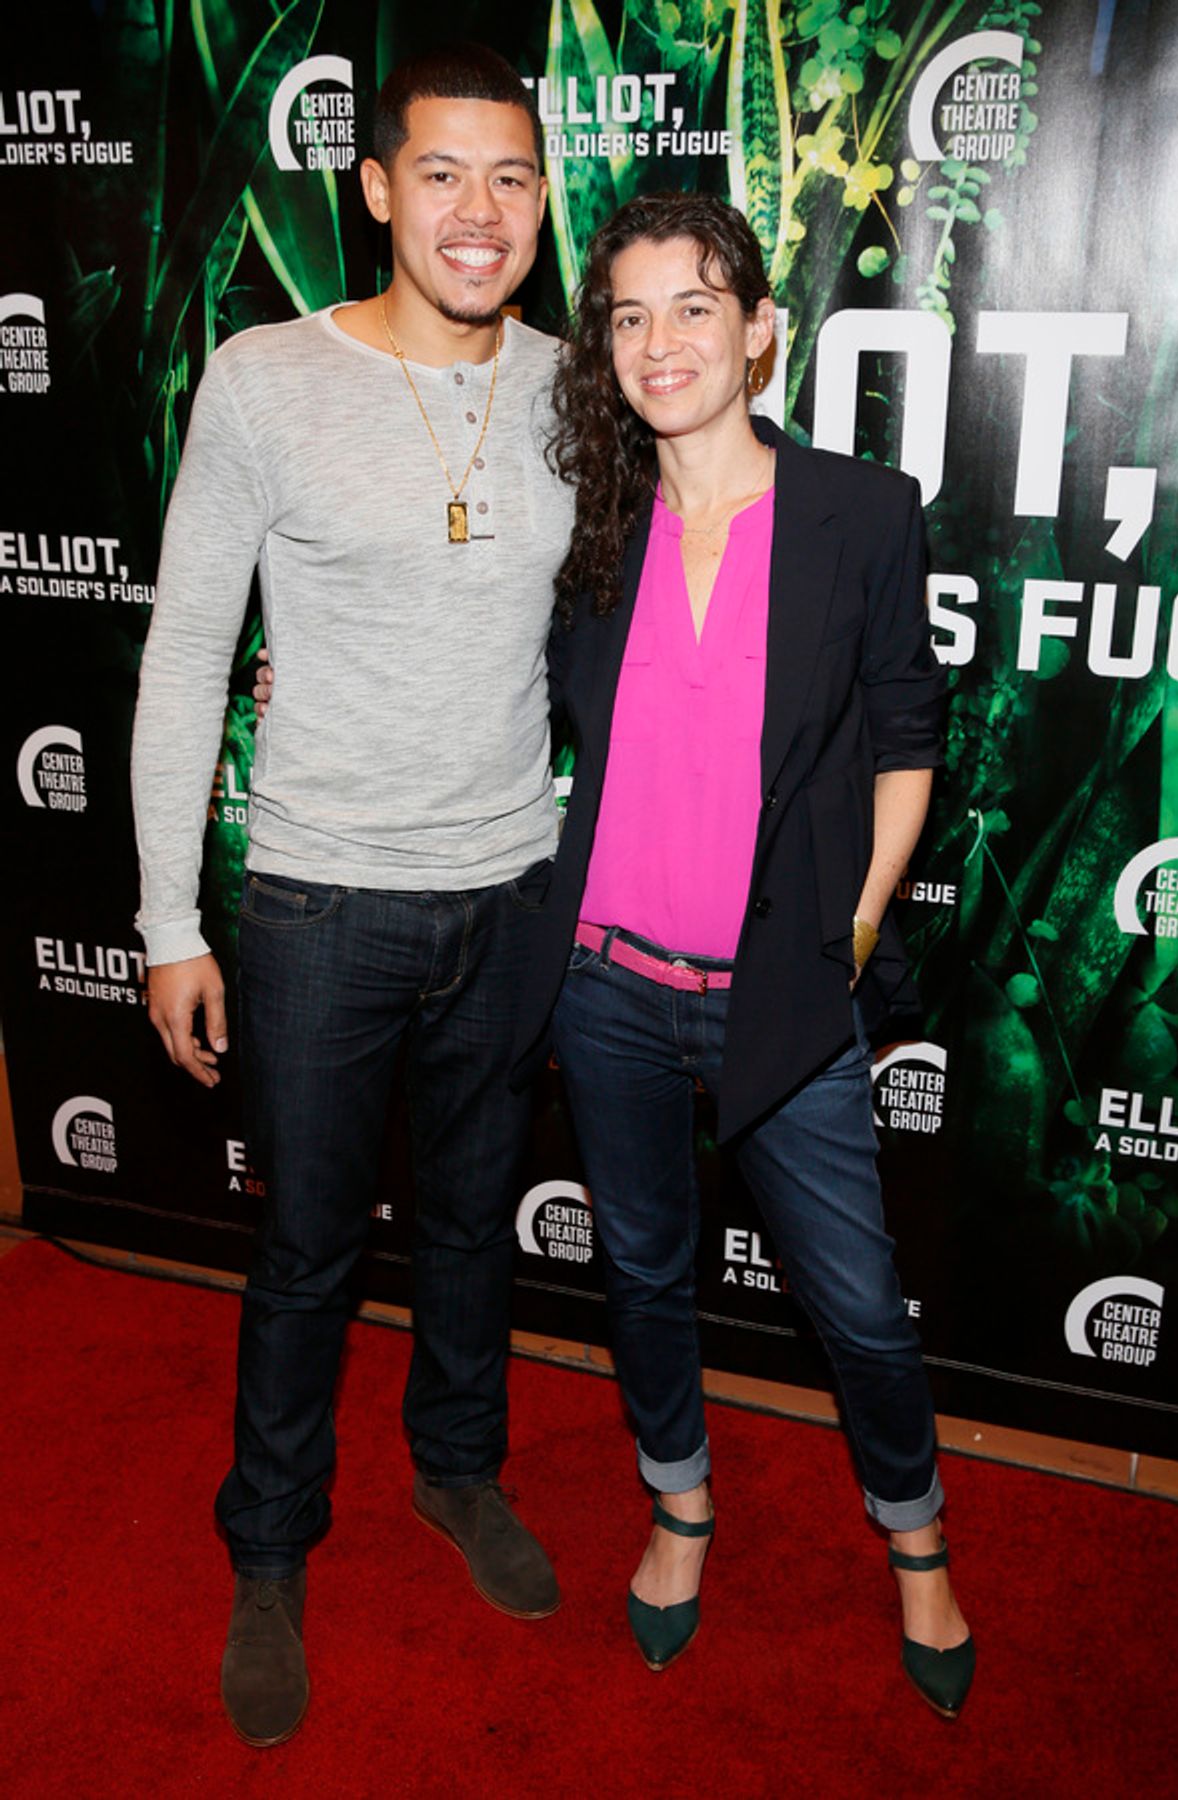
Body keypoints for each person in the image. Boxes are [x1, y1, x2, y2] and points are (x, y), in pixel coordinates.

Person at [131, 45, 575, 1748]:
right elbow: (183, 654)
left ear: (543, 203)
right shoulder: (260, 379)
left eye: (514, 179)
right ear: (376, 188)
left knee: (473, 1225)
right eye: (446, 175)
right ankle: (269, 1544)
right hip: (320, 903)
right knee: (311, 1246)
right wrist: (171, 915)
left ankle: (458, 1473)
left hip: (510, 892)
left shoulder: (568, 388)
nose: (482, 212)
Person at [510, 192, 975, 1717]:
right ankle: (680, 1508)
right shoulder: (587, 521)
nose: (661, 343)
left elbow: (909, 744)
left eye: (695, 308)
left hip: (782, 993)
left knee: (852, 1295)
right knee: (644, 1271)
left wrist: (846, 934)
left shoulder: (860, 512)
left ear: (761, 329)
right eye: (630, 316)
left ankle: (917, 1546)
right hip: (607, 983)